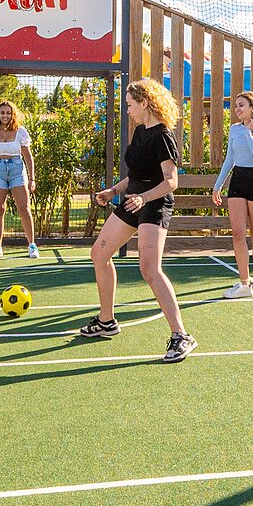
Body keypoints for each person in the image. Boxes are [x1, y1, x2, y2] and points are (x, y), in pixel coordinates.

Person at [80, 78, 197, 363]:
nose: (128, 110)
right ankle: (106, 321)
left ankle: (181, 335)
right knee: (99, 253)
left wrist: (144, 198)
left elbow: (172, 181)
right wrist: (113, 191)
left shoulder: (162, 136)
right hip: (133, 200)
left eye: (131, 104)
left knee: (149, 270)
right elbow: (134, 175)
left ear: (145, 103)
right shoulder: (140, 132)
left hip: (154, 205)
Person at [211, 91, 253, 297]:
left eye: (241, 105)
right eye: (236, 106)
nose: (238, 109)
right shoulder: (234, 129)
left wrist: (249, 135)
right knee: (238, 233)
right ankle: (243, 284)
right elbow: (229, 159)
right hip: (238, 182)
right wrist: (217, 185)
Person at [0, 100, 39, 259]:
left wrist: (32, 179)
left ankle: (32, 245)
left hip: (17, 169)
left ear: (13, 114)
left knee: (24, 208)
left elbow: (28, 156)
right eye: (2, 112)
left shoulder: (21, 132)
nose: (5, 115)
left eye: (8, 113)